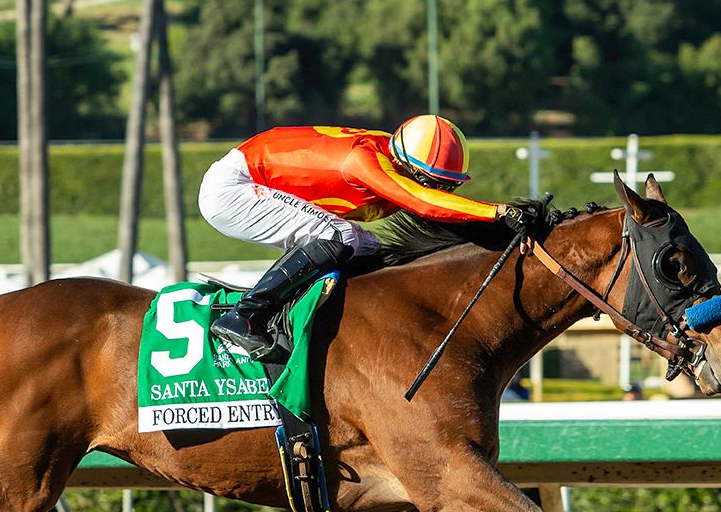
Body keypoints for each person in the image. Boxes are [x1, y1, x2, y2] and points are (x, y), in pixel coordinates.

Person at [198, 117, 548, 361]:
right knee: (338, 235)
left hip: (257, 176)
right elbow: (423, 202)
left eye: (449, 186)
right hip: (234, 188)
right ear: (409, 167)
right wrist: (496, 212)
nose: (441, 190)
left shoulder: (395, 154)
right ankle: (245, 316)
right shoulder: (364, 162)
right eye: (436, 182)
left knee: (369, 248)